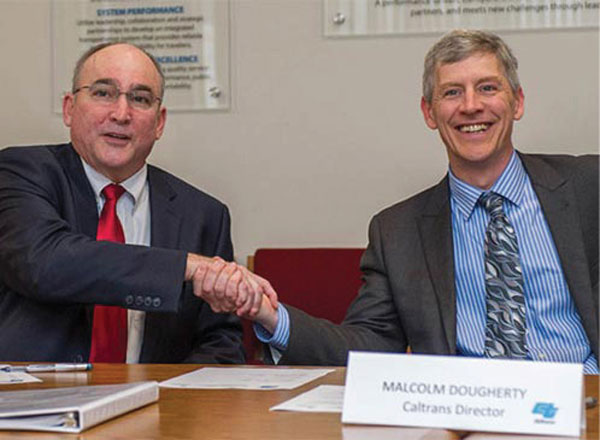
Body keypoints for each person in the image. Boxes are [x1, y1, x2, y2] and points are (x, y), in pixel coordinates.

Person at [199, 30, 599, 373]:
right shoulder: (398, 231)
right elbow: (369, 345)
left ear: (518, 102)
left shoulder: (587, 187)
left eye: (488, 87)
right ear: (430, 112)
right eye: (451, 92)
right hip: (469, 412)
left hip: (585, 401)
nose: (471, 105)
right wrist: (272, 315)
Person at [0, 42, 275, 363]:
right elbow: (45, 262)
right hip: (34, 403)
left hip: (157, 406)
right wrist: (188, 266)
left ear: (159, 122)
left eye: (140, 99)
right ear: (69, 108)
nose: (121, 114)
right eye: (103, 93)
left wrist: (173, 403)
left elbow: (220, 342)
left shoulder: (203, 214)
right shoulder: (21, 172)